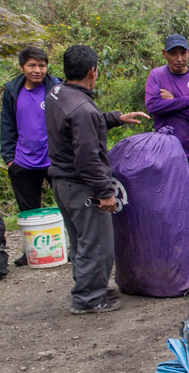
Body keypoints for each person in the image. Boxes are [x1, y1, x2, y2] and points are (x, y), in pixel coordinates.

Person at [46, 45, 147, 314]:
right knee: (98, 244)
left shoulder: (58, 93)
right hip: (81, 187)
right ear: (93, 71)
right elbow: (88, 158)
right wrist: (105, 192)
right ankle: (89, 298)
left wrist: (116, 118)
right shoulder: (82, 108)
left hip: (61, 182)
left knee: (81, 241)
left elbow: (82, 125)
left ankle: (90, 288)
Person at [145, 33, 189, 259]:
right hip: (167, 153)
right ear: (164, 54)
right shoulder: (156, 75)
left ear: (188, 53)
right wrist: (188, 99)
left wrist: (172, 99)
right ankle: (172, 246)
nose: (178, 58)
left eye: (182, 52)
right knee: (168, 202)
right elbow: (153, 106)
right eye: (173, 53)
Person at [0, 45, 62, 266]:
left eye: (42, 65)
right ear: (21, 67)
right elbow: (7, 126)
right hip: (23, 161)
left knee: (68, 205)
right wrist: (9, 158)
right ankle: (32, 252)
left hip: (54, 160)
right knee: (29, 211)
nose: (37, 70)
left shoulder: (57, 88)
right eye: (32, 65)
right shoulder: (12, 91)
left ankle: (69, 249)